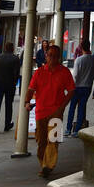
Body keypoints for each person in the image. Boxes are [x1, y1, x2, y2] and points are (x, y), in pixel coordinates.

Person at [24, 44, 74, 177]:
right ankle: (44, 163)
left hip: (56, 112)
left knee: (54, 140)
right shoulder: (39, 72)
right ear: (46, 56)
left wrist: (62, 107)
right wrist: (27, 102)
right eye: (50, 55)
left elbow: (71, 90)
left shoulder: (64, 72)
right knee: (41, 142)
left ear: (59, 57)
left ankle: (48, 165)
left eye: (55, 56)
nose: (52, 58)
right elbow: (30, 89)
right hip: (41, 112)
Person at [0, 41, 22, 134]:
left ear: (5, 48)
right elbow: (16, 73)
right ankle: (7, 124)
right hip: (10, 85)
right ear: (12, 48)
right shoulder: (15, 59)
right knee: (9, 105)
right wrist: (15, 82)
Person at [65, 40, 94, 136]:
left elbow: (76, 75)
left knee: (72, 108)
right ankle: (77, 130)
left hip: (77, 87)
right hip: (87, 87)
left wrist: (71, 86)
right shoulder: (92, 59)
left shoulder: (79, 60)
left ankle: (68, 129)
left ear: (81, 48)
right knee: (81, 108)